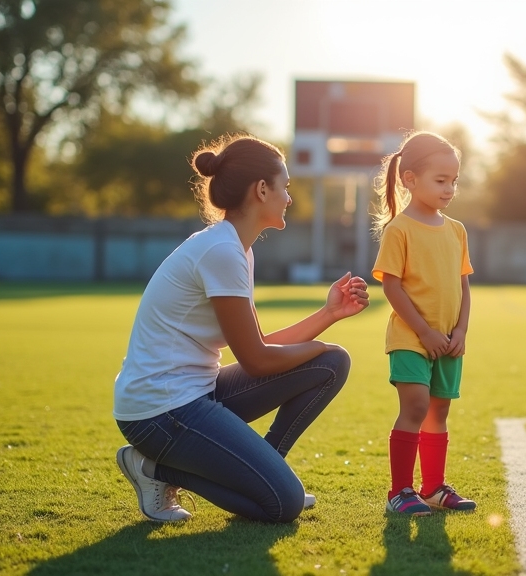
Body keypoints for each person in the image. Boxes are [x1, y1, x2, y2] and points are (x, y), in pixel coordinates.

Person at [113, 134, 370, 523]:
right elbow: (256, 359)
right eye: (284, 187)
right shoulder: (221, 251)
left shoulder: (236, 248)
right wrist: (320, 347)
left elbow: (258, 344)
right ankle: (153, 469)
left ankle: (268, 471)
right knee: (283, 505)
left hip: (196, 393)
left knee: (333, 363)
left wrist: (328, 315)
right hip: (159, 412)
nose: (289, 197)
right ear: (261, 189)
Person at [370, 131, 476, 516]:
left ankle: (433, 488)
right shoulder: (399, 229)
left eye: (454, 181)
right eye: (440, 180)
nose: (449, 189)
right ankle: (400, 491)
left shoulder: (457, 230)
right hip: (411, 338)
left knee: (439, 411)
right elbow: (393, 288)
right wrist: (425, 332)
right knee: (414, 406)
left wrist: (460, 331)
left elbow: (463, 287)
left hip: (448, 340)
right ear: (410, 179)